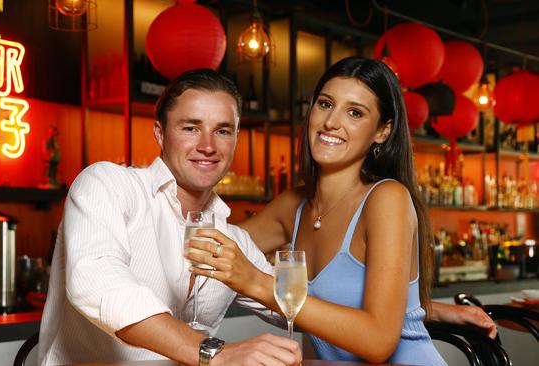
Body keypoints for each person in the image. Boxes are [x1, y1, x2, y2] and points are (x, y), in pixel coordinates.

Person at [186, 57, 494, 365]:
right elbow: (209, 250)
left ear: (382, 131)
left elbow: (377, 341)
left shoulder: (387, 199)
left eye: (355, 112)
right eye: (325, 104)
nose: (331, 121)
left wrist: (255, 281)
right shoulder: (293, 205)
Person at [38, 68, 302, 366]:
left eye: (223, 131)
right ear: (159, 133)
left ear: (236, 139)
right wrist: (215, 352)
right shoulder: (108, 185)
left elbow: (295, 310)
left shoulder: (234, 239)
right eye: (191, 128)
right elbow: (97, 282)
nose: (208, 146)